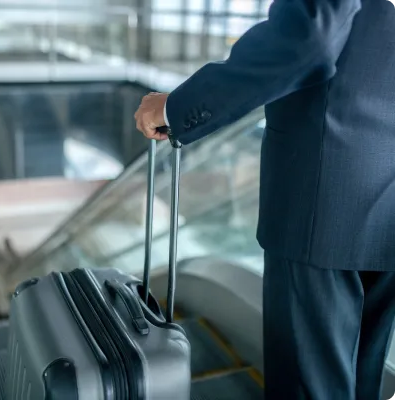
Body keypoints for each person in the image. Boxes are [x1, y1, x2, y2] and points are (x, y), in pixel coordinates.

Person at [134, 0, 395, 399]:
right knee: (363, 379)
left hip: (324, 192)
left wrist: (176, 107)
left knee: (308, 386)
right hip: (384, 189)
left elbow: (310, 37)